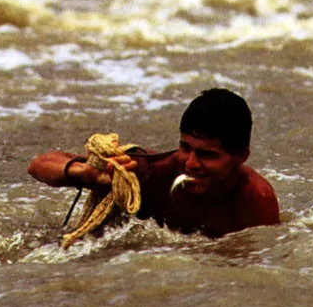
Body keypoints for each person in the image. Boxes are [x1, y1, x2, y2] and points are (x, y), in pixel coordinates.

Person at [28, 88, 280, 238]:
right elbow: (39, 164)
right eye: (185, 148)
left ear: (241, 157)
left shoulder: (255, 199)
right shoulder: (151, 171)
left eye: (207, 155)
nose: (190, 164)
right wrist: (85, 174)